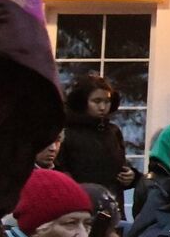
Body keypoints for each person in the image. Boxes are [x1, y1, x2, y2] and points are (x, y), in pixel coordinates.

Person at [57, 74, 137, 210]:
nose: (102, 107)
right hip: (78, 206)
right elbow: (59, 170)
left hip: (113, 205)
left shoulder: (113, 131)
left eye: (107, 101)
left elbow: (121, 165)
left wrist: (131, 176)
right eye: (97, 101)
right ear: (82, 102)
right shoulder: (67, 131)